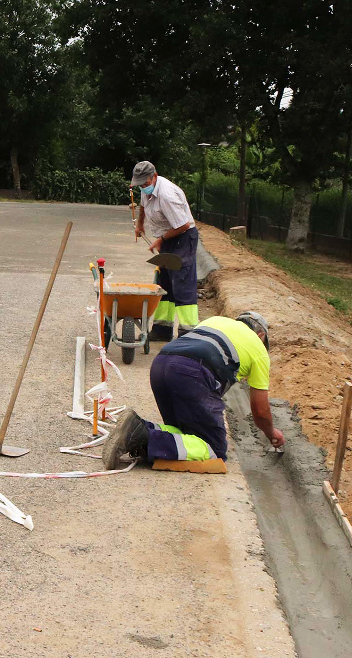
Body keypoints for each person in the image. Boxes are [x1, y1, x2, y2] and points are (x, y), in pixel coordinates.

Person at [103, 312, 285, 468]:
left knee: (185, 434)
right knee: (215, 449)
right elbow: (260, 411)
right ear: (261, 335)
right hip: (193, 373)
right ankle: (142, 438)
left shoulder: (215, 321)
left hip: (161, 365)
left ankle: (135, 428)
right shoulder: (258, 349)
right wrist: (271, 433)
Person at [132, 160, 199, 340]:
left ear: (154, 176)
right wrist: (140, 224)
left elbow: (183, 225)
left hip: (183, 238)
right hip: (168, 236)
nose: (142, 188)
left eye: (145, 184)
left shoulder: (167, 195)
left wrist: (160, 240)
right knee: (164, 283)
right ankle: (162, 330)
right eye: (140, 185)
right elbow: (143, 206)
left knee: (182, 283)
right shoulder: (145, 188)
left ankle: (188, 334)